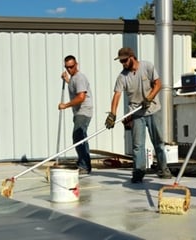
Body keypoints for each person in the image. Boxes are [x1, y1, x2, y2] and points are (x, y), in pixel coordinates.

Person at [105, 47, 172, 183]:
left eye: (124, 60)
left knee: (158, 142)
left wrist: (149, 97)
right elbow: (117, 95)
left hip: (153, 110)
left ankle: (163, 169)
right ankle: (138, 171)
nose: (123, 63)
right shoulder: (122, 76)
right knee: (138, 145)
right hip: (136, 113)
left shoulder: (147, 66)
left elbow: (158, 84)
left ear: (132, 57)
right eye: (121, 61)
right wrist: (112, 114)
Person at [58, 55, 93, 175]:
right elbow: (74, 88)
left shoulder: (79, 78)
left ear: (76, 64)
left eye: (71, 67)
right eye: (67, 67)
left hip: (83, 111)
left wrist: (65, 105)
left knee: (78, 137)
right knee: (81, 137)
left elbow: (81, 97)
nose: (69, 69)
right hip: (79, 112)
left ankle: (84, 165)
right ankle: (85, 164)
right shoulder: (73, 78)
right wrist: (67, 80)